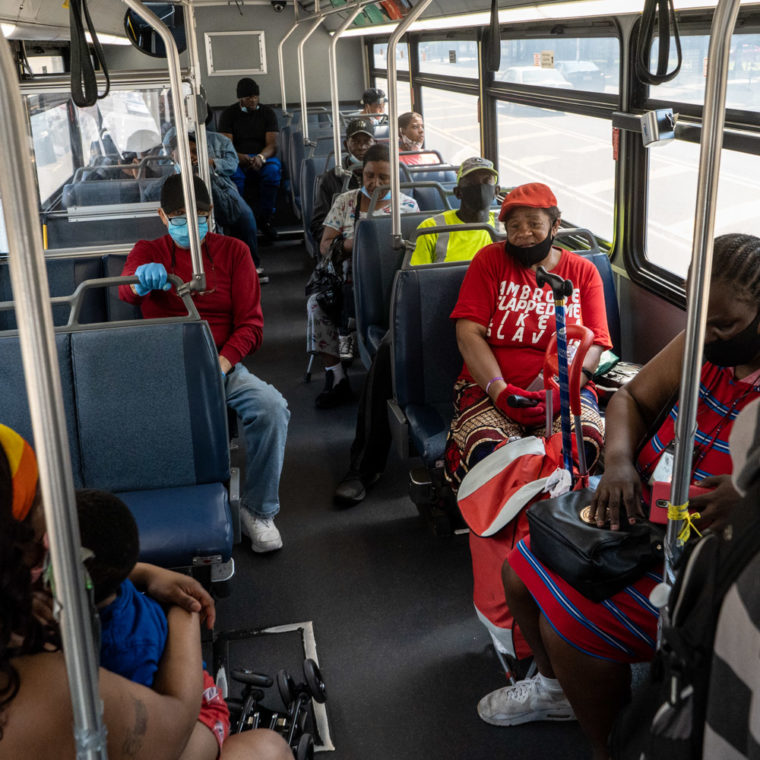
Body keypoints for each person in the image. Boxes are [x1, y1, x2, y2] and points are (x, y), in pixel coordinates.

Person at [482, 233, 760, 760]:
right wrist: (616, 462)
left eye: (726, 326)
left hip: (703, 548)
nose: (710, 336)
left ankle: (612, 747)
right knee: (517, 576)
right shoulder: (700, 341)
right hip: (638, 503)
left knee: (571, 628)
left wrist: (749, 505)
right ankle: (558, 689)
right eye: (703, 318)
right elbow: (631, 396)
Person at [0, 423, 291, 760]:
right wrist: (186, 615)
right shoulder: (45, 688)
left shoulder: (29, 613)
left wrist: (144, 573)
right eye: (40, 522)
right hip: (175, 724)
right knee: (269, 749)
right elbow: (165, 737)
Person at [119, 174, 289, 554]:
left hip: (218, 362)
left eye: (198, 214)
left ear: (210, 215)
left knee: (271, 408)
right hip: (158, 364)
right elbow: (126, 291)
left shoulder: (234, 252)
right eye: (179, 216)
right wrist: (141, 283)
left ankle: (259, 510)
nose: (188, 222)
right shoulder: (149, 250)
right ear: (163, 217)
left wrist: (223, 364)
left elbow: (251, 324)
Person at [334, 157, 500, 505]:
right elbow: (413, 288)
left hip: (492, 320)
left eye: (489, 182)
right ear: (457, 190)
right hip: (431, 317)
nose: (482, 189)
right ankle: (364, 466)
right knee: (386, 358)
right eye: (474, 183)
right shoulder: (432, 227)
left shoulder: (504, 227)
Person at [444, 182, 610, 492]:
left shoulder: (583, 272)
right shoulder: (489, 262)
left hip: (564, 388)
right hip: (490, 388)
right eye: (514, 226)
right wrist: (499, 390)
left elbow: (595, 341)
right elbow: (469, 333)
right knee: (492, 453)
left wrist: (565, 389)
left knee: (580, 443)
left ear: (555, 226)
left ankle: (553, 516)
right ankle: (517, 525)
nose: (524, 233)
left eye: (534, 224)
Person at [76, 488, 231, 751]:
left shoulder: (122, 649)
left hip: (200, 711)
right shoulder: (110, 584)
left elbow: (148, 723)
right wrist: (147, 573)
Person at [307, 143, 419, 409]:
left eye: (383, 177)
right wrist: (356, 244)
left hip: (388, 282)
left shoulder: (408, 207)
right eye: (370, 175)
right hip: (345, 280)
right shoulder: (345, 202)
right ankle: (336, 375)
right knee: (316, 305)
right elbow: (325, 246)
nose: (375, 182)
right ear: (362, 173)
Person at [165, 129, 263, 278]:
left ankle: (252, 265)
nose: (190, 156)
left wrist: (211, 164)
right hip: (185, 186)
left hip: (221, 183)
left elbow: (232, 165)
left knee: (245, 216)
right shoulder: (172, 137)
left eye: (193, 152)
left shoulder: (220, 140)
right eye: (185, 152)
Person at [218, 77, 281, 242]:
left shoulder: (267, 113)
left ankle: (265, 219)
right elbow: (226, 146)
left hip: (263, 156)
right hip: (236, 157)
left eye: (255, 96)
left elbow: (272, 145)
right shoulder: (228, 115)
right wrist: (241, 158)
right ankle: (239, 221)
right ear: (241, 99)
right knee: (234, 179)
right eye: (248, 98)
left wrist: (260, 157)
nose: (253, 100)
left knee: (273, 173)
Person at [310, 117, 376, 246]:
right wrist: (343, 244)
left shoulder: (383, 176)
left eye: (367, 142)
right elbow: (318, 224)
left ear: (375, 143)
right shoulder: (331, 178)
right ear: (346, 145)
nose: (362, 147)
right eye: (356, 142)